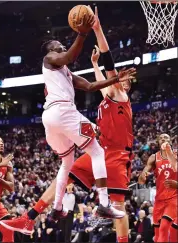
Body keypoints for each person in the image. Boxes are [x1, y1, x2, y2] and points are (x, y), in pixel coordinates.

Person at [0, 7, 136, 236]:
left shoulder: (121, 95)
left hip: (118, 155)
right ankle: (37, 215)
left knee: (109, 198)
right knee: (83, 160)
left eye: (123, 81)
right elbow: (98, 81)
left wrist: (96, 30)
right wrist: (95, 61)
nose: (120, 81)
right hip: (84, 134)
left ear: (126, 86)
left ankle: (42, 213)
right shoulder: (108, 94)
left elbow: (107, 65)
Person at [41, 7, 135, 221]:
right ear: (51, 50)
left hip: (50, 117)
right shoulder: (51, 58)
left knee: (67, 162)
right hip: (63, 112)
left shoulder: (65, 72)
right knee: (96, 151)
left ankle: (55, 208)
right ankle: (103, 204)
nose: (61, 47)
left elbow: (92, 85)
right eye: (58, 45)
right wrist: (83, 32)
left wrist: (109, 75)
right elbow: (70, 56)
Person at [138, 133, 177, 242]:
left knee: (164, 227)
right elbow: (141, 179)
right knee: (157, 234)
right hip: (159, 200)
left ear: (170, 141)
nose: (163, 139)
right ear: (158, 142)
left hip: (174, 198)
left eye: (166, 137)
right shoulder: (154, 157)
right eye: (160, 138)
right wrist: (143, 175)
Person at [0, 136, 14, 242]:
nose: (1, 143)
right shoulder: (3, 163)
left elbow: (11, 187)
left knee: (8, 226)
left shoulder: (7, 164)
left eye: (2, 142)